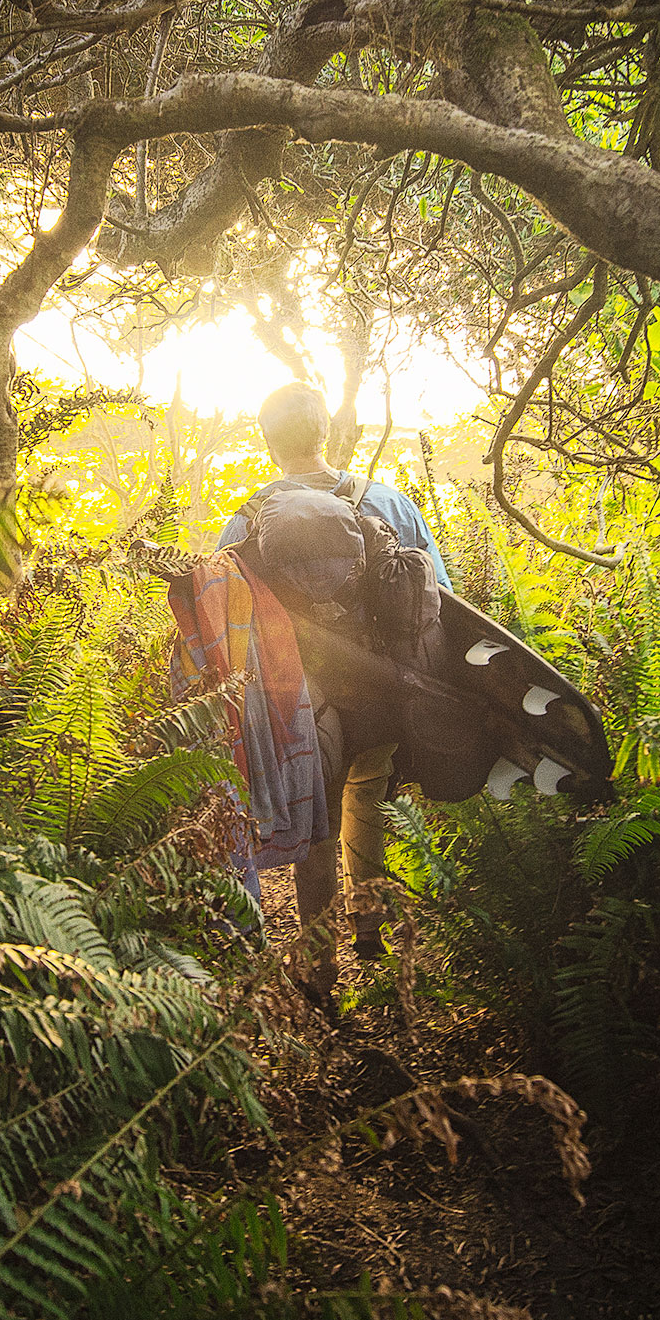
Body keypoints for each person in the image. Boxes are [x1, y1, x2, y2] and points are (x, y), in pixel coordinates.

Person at [218, 383, 451, 1009]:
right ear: (326, 432)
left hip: (303, 698)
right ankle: (371, 934)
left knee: (316, 828)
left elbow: (227, 616)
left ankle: (319, 972)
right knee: (367, 800)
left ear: (268, 442)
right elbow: (441, 595)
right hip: (384, 691)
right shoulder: (386, 499)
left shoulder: (248, 517)